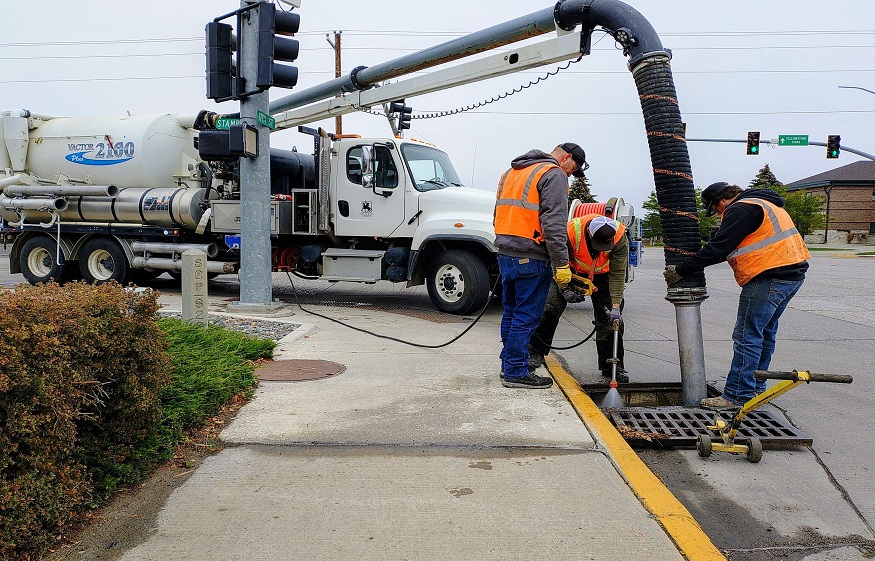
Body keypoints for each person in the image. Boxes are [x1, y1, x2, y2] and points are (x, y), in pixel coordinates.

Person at [663, 182, 811, 408]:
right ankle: (755, 388)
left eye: (716, 210)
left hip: (768, 275)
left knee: (747, 335)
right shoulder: (766, 203)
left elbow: (719, 247)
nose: (718, 215)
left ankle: (737, 395)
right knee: (764, 334)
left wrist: (681, 270)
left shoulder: (741, 208)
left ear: (721, 201)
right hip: (791, 275)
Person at [494, 143, 587, 389]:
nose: (569, 175)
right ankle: (515, 371)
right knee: (526, 316)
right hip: (532, 256)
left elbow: (498, 214)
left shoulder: (511, 172)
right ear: (566, 157)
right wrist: (561, 263)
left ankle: (510, 364)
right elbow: (554, 223)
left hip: (505, 253)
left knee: (512, 312)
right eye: (572, 169)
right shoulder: (553, 173)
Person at [529, 215, 630, 383]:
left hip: (603, 277)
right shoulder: (570, 231)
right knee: (548, 307)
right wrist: (564, 289)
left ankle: (611, 365)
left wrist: (615, 306)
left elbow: (618, 273)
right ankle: (535, 352)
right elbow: (557, 261)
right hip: (569, 271)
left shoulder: (619, 236)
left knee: (611, 320)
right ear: (589, 233)